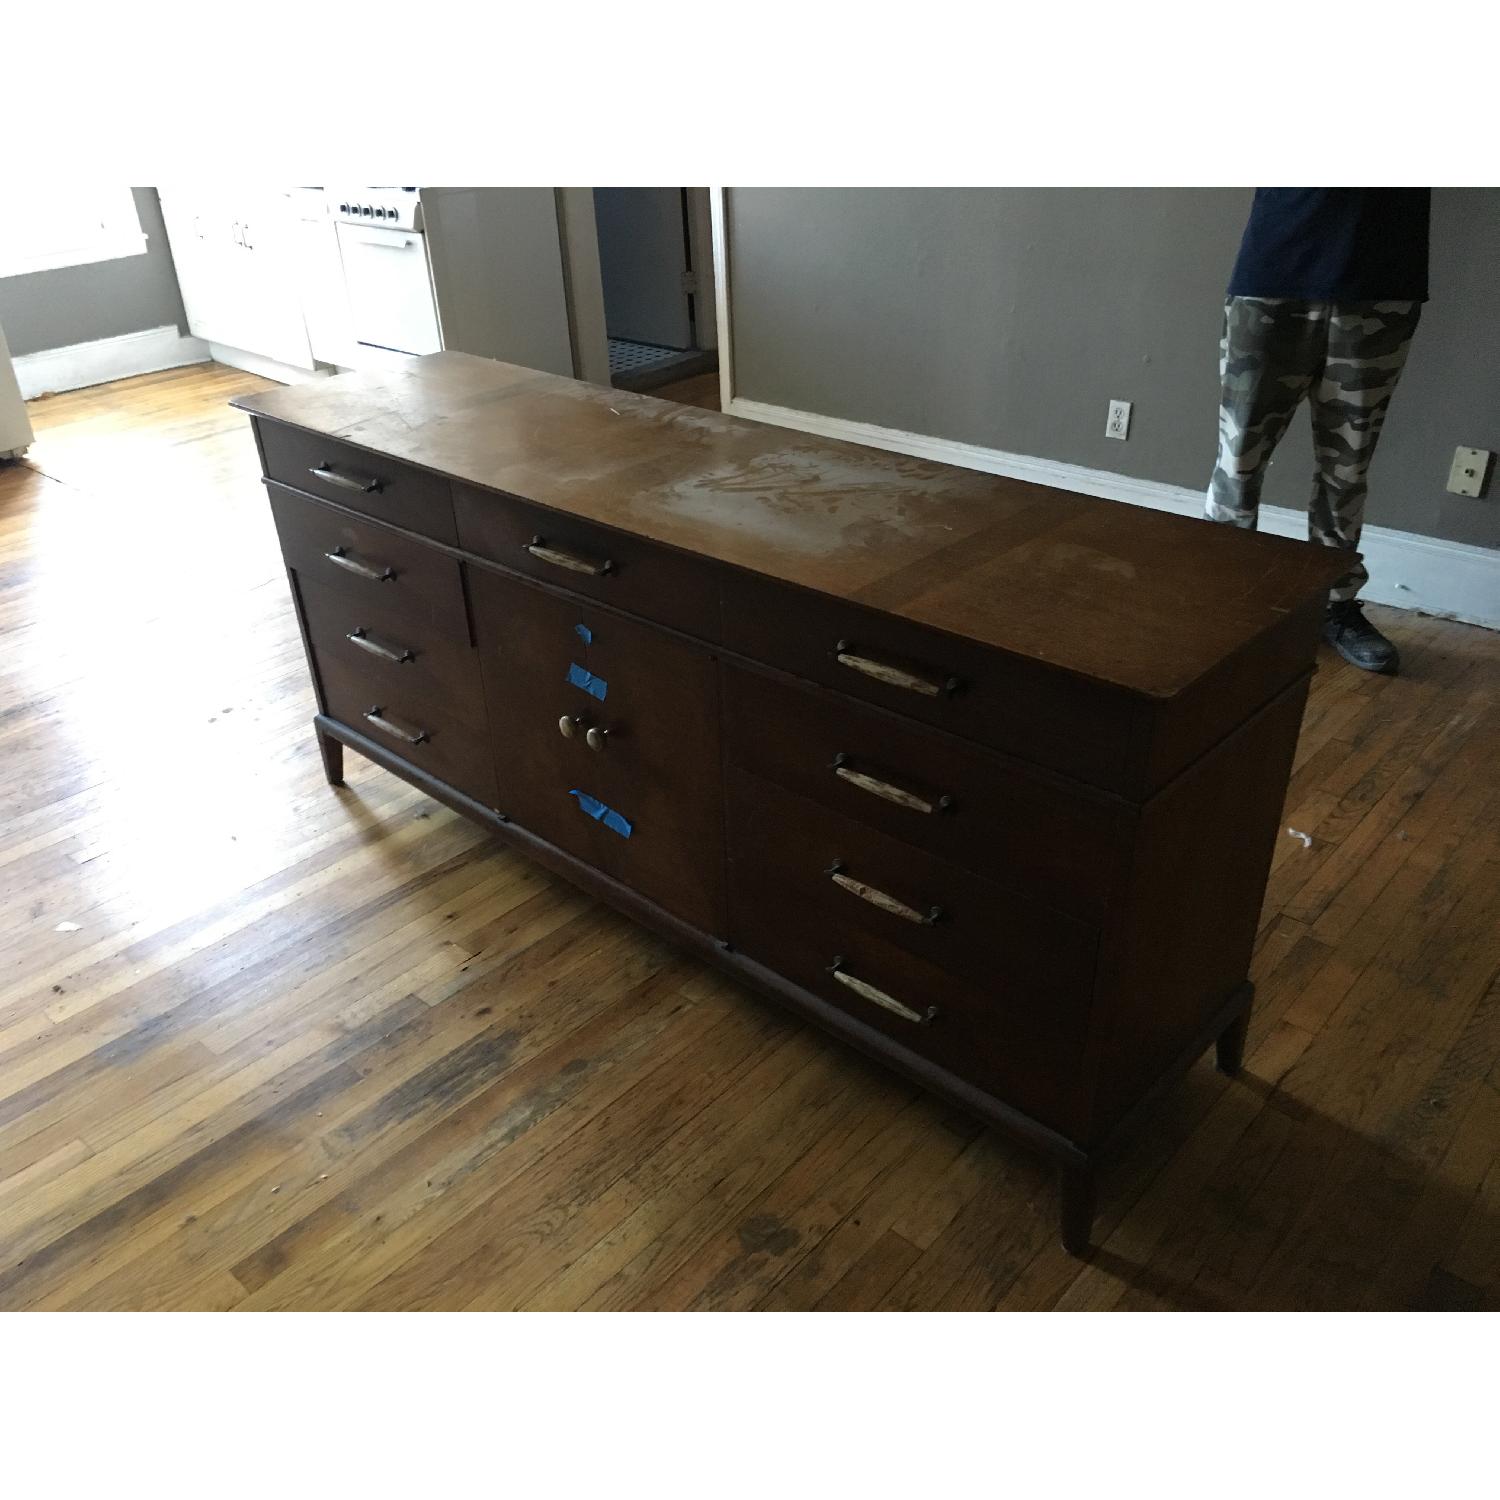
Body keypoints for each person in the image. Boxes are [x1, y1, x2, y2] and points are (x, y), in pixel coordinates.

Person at [1206, 188, 1429, 674]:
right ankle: (1221, 602)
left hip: (1383, 284)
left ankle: (1336, 606)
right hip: (1273, 273)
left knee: (1346, 468)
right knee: (1239, 456)